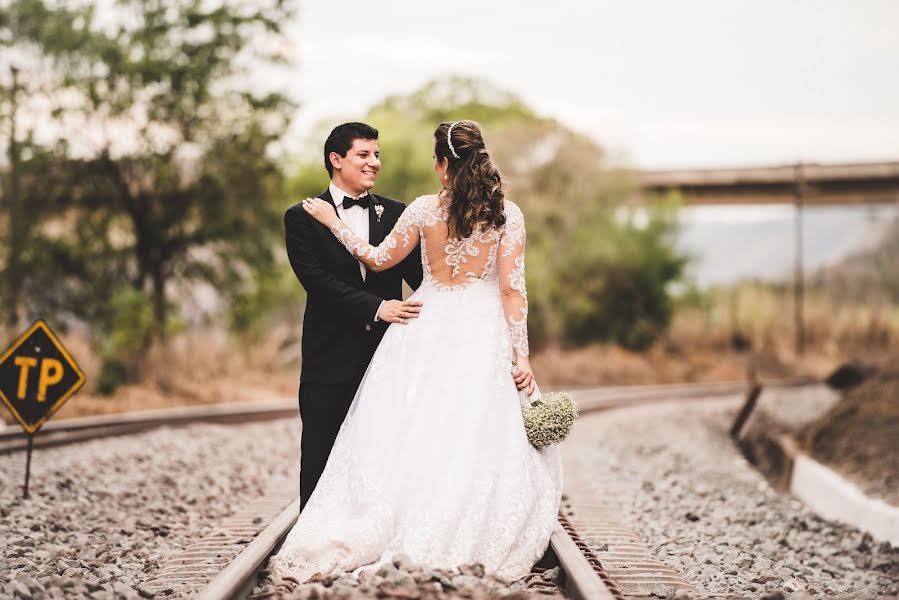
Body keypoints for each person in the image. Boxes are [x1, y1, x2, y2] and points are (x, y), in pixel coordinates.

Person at [270, 120, 562, 585]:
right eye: (364, 155)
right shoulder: (509, 214)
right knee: (469, 430)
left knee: (412, 428)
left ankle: (393, 520)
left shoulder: (423, 210)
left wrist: (335, 224)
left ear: (443, 165)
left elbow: (378, 258)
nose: (375, 163)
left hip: (423, 325)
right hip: (480, 331)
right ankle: (463, 522)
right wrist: (521, 356)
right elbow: (512, 291)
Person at [284, 122, 425, 511]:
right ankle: (312, 534)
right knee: (320, 449)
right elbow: (316, 280)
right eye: (364, 154)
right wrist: (377, 307)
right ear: (336, 159)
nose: (374, 162)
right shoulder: (301, 217)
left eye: (376, 155)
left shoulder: (398, 213)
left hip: (388, 356)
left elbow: (421, 279)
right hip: (328, 354)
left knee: (384, 449)